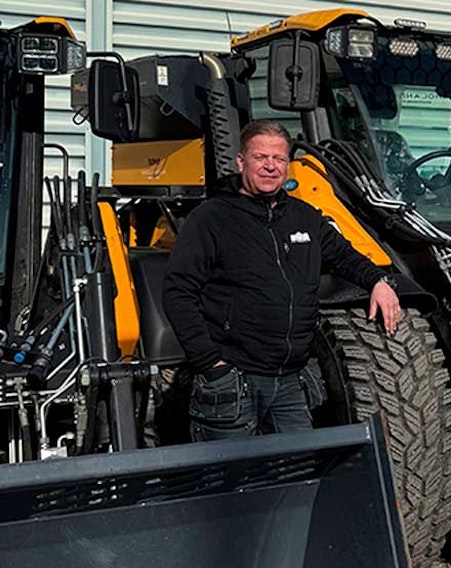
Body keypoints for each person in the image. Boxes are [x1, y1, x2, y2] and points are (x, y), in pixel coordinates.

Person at [163, 120, 402, 441]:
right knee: (233, 485)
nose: (271, 167)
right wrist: (211, 364)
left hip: (290, 382)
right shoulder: (211, 218)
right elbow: (178, 292)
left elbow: (346, 256)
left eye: (279, 159)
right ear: (241, 161)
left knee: (298, 480)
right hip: (232, 382)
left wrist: (378, 281)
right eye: (261, 158)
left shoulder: (305, 217)